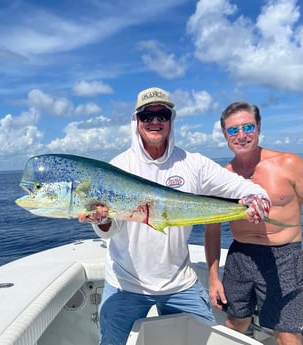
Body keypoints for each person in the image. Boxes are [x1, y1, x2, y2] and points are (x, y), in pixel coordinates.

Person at [79, 88, 272, 345]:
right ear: (136, 122)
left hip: (180, 284)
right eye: (147, 115)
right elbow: (110, 228)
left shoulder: (194, 164)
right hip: (126, 285)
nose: (155, 121)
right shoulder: (116, 169)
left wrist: (258, 199)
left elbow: (246, 188)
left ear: (171, 120)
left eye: (162, 115)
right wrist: (102, 220)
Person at [205, 101, 303, 345]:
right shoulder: (222, 177)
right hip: (241, 255)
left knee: (287, 333)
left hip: (285, 256)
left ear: (259, 127)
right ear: (224, 134)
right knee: (234, 323)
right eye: (233, 130)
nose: (241, 135)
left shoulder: (288, 163)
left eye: (248, 127)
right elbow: (212, 230)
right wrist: (214, 278)